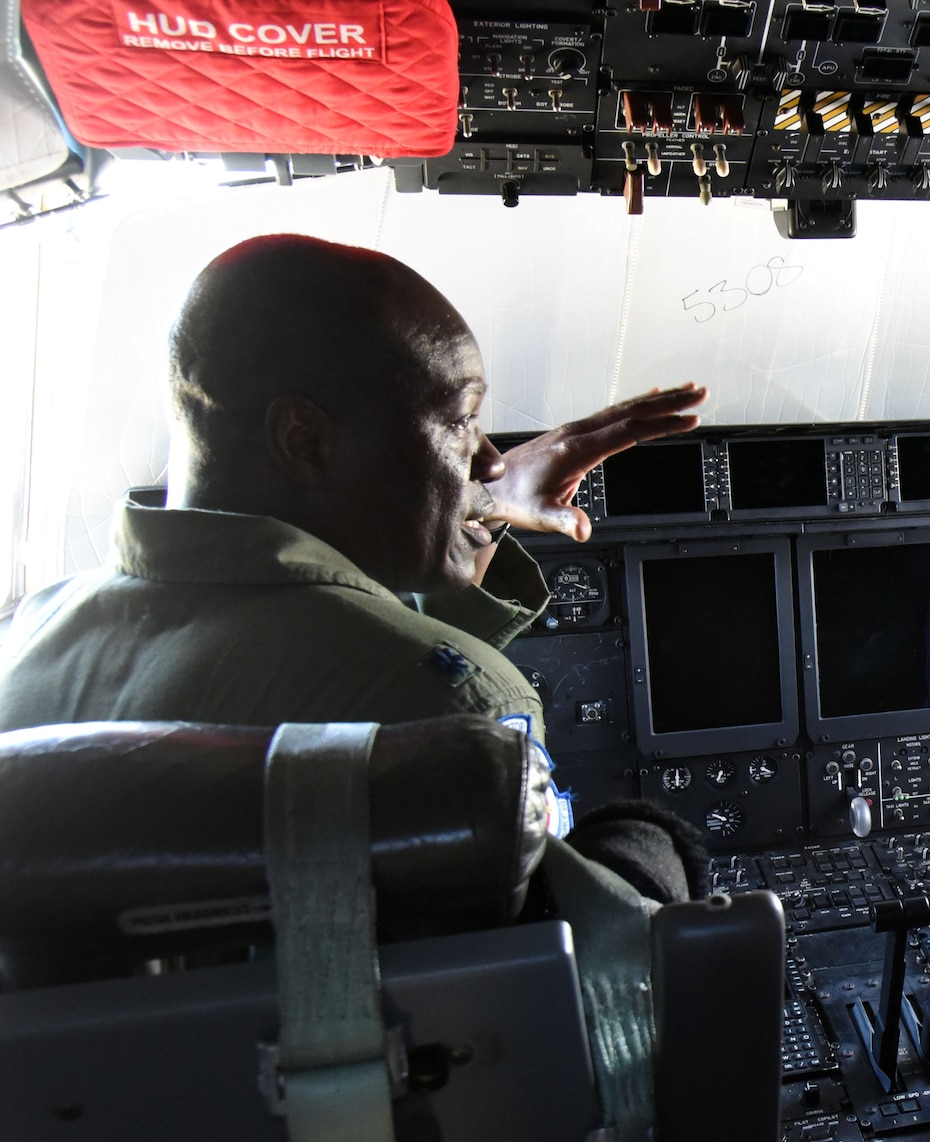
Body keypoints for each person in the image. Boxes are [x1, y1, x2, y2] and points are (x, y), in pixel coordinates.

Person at [0, 233, 707, 897]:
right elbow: (600, 983)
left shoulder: (32, 630)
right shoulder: (462, 712)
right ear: (304, 440)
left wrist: (476, 508)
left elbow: (353, 645)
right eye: (462, 418)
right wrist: (647, 850)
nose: (490, 458)